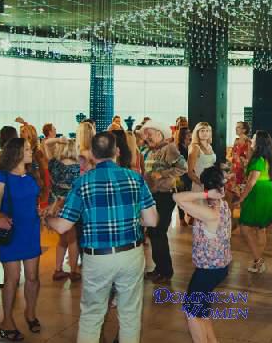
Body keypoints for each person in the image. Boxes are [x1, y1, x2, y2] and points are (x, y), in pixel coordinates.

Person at [47, 132, 158, 343]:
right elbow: (152, 220)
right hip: (131, 254)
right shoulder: (135, 178)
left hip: (97, 257)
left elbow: (62, 226)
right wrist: (133, 219)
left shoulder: (82, 183)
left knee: (92, 316)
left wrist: (47, 219)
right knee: (130, 315)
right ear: (117, 152)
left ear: (92, 154)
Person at [0, 138, 42, 342]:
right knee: (12, 278)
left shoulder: (31, 174)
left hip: (31, 230)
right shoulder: (1, 175)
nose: (30, 151)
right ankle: (7, 321)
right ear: (16, 153)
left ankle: (30, 313)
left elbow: (33, 203)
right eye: (26, 149)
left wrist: (42, 213)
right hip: (10, 231)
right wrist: (0, 217)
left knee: (33, 277)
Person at [174, 165, 231, 343]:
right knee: (202, 311)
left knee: (191, 311)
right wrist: (209, 196)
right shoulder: (223, 205)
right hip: (219, 267)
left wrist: (205, 194)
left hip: (208, 270)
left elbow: (177, 197)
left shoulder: (209, 213)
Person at [142, 120, 187, 283]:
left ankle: (166, 271)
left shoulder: (169, 148)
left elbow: (183, 167)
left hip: (165, 195)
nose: (147, 137)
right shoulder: (149, 151)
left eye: (150, 134)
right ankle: (159, 268)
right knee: (153, 233)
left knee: (158, 232)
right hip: (152, 195)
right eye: (146, 134)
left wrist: (162, 174)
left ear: (160, 134)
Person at [237, 131, 272, 273]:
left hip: (258, 193)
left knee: (245, 227)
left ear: (259, 142)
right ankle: (258, 261)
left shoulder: (258, 159)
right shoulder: (267, 157)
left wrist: (241, 198)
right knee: (261, 229)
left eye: (254, 138)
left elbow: (251, 182)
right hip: (267, 192)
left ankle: (258, 260)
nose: (251, 140)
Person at [47, 138, 81, 282]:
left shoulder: (54, 164)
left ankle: (58, 269)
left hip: (54, 204)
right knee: (73, 238)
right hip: (70, 204)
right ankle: (73, 270)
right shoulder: (78, 168)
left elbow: (46, 144)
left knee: (62, 238)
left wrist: (58, 140)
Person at [19, 123, 50, 207]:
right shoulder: (20, 152)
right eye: (21, 132)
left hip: (34, 191)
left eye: (23, 132)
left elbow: (44, 174)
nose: (21, 134)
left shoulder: (37, 153)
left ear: (31, 136)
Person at [188, 122, 216, 192]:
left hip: (212, 183)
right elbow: (190, 172)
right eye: (202, 131)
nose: (205, 133)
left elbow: (211, 164)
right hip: (200, 184)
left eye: (207, 131)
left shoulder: (209, 146)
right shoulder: (195, 148)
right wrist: (202, 184)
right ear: (197, 132)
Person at [228, 121, 251, 194]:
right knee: (230, 193)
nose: (236, 128)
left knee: (240, 194)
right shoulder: (236, 140)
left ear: (244, 130)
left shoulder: (248, 142)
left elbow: (249, 159)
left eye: (238, 127)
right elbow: (233, 158)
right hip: (234, 171)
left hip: (242, 172)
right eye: (236, 127)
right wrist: (230, 171)